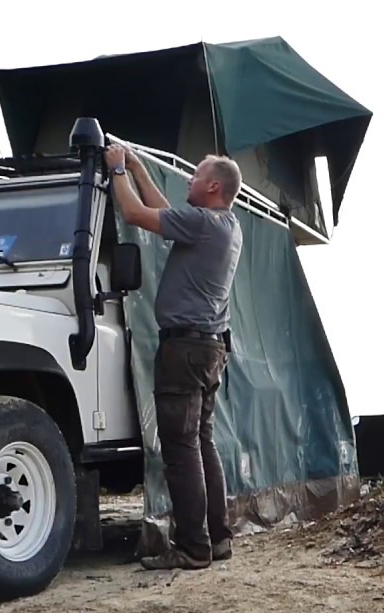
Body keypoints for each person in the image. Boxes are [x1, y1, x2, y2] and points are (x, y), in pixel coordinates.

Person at [104, 142, 244, 570]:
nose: (190, 179)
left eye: (196, 174)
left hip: (184, 349)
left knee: (181, 449)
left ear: (213, 185)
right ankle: (217, 539)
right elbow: (165, 211)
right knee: (201, 442)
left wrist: (117, 172)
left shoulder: (204, 224)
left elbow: (135, 215)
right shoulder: (222, 224)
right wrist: (139, 166)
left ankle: (192, 548)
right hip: (208, 346)